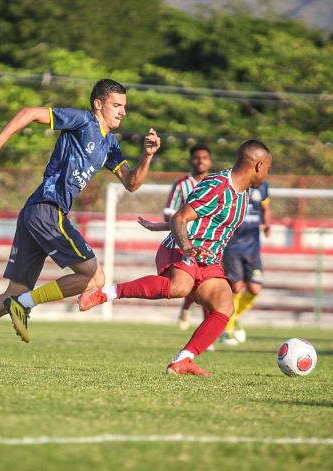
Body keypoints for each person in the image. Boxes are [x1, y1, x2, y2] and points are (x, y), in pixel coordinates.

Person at [0, 79, 161, 364]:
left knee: (13, 292)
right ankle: (24, 304)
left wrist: (148, 156)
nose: (123, 112)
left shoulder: (110, 145)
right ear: (98, 104)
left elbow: (131, 183)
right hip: (47, 209)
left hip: (36, 212)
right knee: (94, 277)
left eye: (125, 107)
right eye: (117, 105)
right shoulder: (82, 121)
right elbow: (29, 112)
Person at [78, 140, 272, 376]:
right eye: (269, 168)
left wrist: (161, 225)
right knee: (180, 286)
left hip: (207, 260)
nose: (268, 173)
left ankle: (184, 360)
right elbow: (180, 218)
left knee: (224, 304)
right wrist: (188, 247)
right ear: (259, 165)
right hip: (181, 249)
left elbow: (198, 217)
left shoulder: (244, 195)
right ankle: (104, 294)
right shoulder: (218, 185)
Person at [162, 145, 213, 331]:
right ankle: (186, 306)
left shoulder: (216, 184)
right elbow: (168, 213)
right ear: (191, 160)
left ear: (210, 161)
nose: (201, 161)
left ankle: (202, 325)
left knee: (209, 284)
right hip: (187, 243)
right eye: (197, 157)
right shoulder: (181, 185)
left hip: (209, 241)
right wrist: (181, 227)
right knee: (191, 284)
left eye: (205, 157)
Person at [219, 180, 271, 346]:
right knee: (236, 288)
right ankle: (227, 330)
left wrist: (267, 224)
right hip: (232, 247)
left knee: (255, 289)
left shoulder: (263, 186)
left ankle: (234, 317)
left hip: (253, 249)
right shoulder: (232, 184)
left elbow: (265, 207)